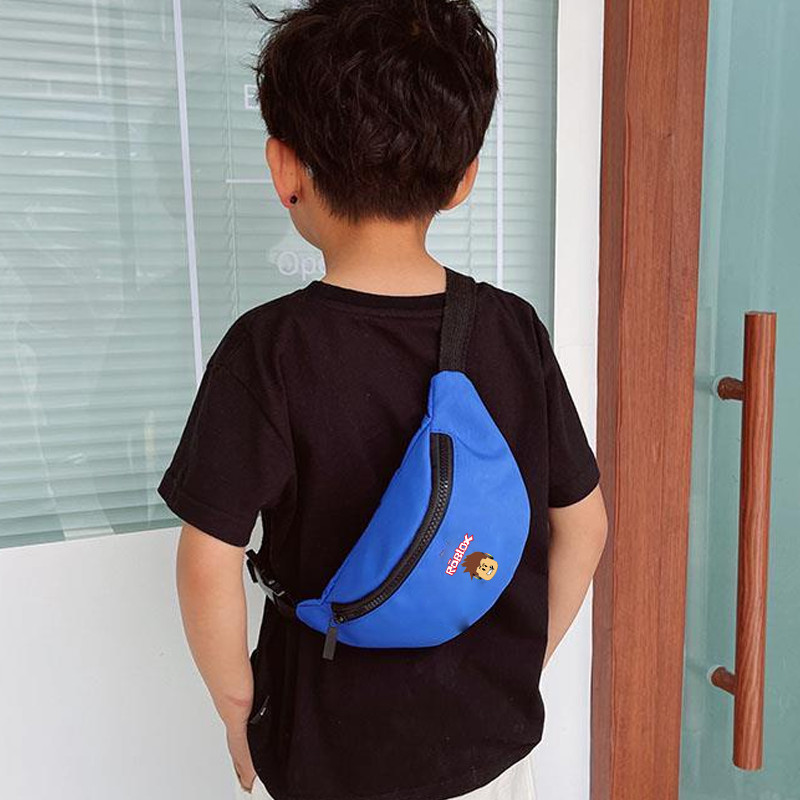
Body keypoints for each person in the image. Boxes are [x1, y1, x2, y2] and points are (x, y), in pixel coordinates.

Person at [157, 0, 609, 798]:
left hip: (329, 754)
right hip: (486, 751)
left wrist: (237, 711)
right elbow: (585, 525)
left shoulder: (270, 348)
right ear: (464, 179)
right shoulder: (512, 329)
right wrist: (519, 664)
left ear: (284, 170)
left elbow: (208, 561)